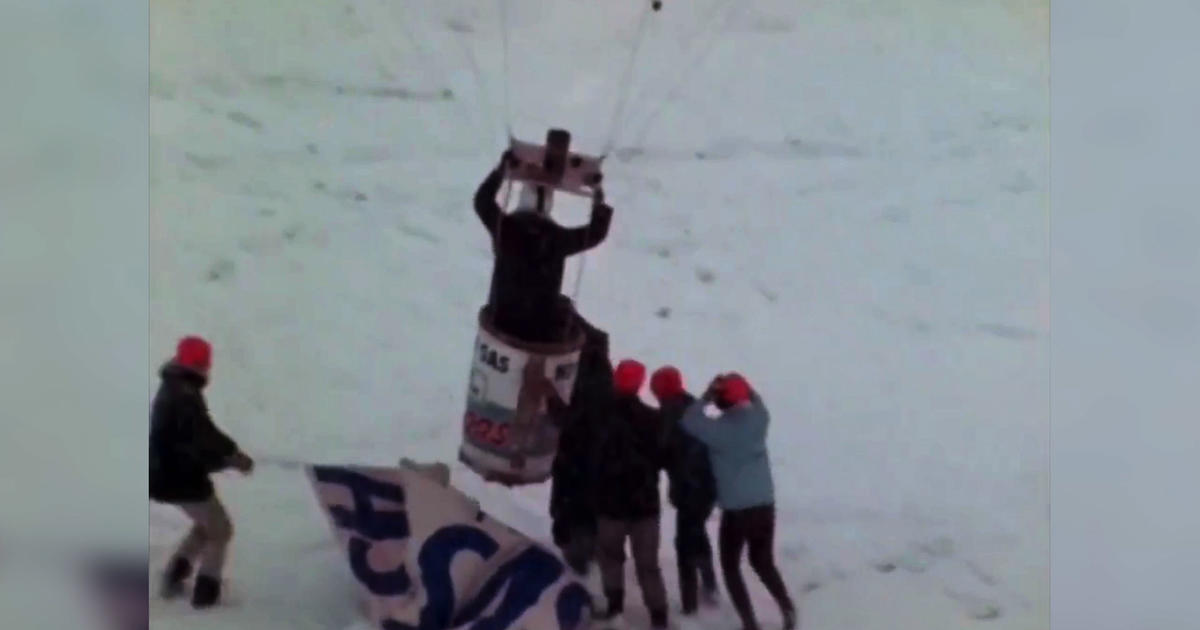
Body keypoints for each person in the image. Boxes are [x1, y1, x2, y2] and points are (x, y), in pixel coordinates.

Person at [680, 374, 796, 630]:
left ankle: (749, 623)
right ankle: (787, 608)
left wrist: (708, 395)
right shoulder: (759, 420)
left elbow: (689, 420)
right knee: (763, 561)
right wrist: (742, 386)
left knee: (731, 567)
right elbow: (758, 401)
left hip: (736, 512)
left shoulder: (718, 431)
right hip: (764, 505)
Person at [149, 336, 255, 608]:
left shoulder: (173, 387)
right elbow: (203, 437)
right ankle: (206, 593)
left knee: (205, 526)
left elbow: (190, 439)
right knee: (221, 530)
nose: (208, 369)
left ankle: (174, 575)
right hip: (181, 479)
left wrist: (223, 459)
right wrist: (233, 456)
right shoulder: (184, 396)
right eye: (205, 363)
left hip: (164, 476)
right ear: (198, 364)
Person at [473, 150, 613, 343]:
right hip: (539, 333)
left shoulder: (506, 230)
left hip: (502, 322)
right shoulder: (555, 239)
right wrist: (598, 195)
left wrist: (500, 171)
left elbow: (482, 201)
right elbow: (596, 233)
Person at [591, 359, 670, 630]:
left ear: (615, 380)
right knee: (648, 565)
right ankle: (659, 618)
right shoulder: (654, 419)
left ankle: (615, 608)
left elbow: (586, 451)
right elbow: (663, 458)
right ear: (640, 384)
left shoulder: (600, 416)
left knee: (610, 557)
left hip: (610, 504)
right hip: (645, 506)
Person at [546, 313, 614, 574]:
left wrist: (552, 402)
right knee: (585, 503)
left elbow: (574, 417)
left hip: (578, 452)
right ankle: (585, 548)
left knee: (572, 502)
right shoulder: (602, 370)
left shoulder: (588, 376)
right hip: (594, 453)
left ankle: (577, 559)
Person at [650, 366, 719, 615]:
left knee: (684, 545)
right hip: (709, 485)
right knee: (698, 534)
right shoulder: (692, 405)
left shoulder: (669, 416)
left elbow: (661, 452)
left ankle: (690, 605)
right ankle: (710, 584)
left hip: (690, 489)